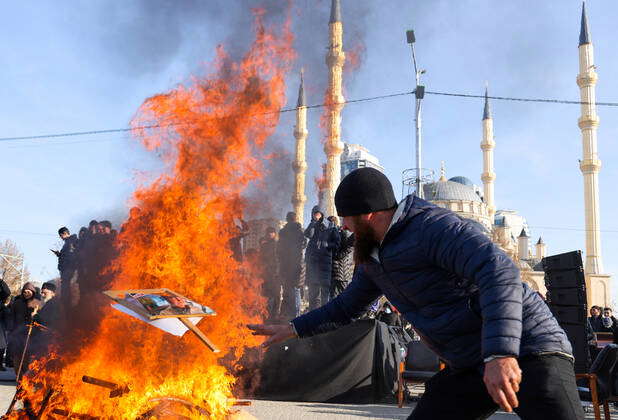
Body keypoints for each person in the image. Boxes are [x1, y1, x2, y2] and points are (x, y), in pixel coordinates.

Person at [249, 167, 583, 420]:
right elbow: (346, 306)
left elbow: (500, 272)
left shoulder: (432, 228)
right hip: (471, 362)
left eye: (347, 220)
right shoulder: (376, 254)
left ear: (369, 214)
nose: (344, 228)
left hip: (530, 349)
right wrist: (294, 328)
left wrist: (499, 354)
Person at [304, 206, 340, 310]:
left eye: (318, 213)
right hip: (313, 265)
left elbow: (337, 244)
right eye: (314, 214)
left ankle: (326, 319)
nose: (316, 216)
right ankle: (312, 317)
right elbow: (308, 235)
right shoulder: (313, 225)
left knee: (325, 295)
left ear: (323, 214)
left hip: (325, 265)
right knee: (313, 295)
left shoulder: (331, 226)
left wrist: (326, 244)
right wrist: (313, 222)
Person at [277, 212, 306, 318]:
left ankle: (287, 316)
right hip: (297, 264)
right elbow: (304, 244)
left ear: (287, 219)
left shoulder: (282, 232)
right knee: (296, 290)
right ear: (295, 218)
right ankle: (296, 316)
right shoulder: (299, 230)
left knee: (287, 290)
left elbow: (279, 249)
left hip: (285, 265)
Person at [329, 217, 355, 299]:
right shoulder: (337, 232)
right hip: (336, 270)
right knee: (334, 296)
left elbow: (349, 248)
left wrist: (338, 256)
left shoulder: (345, 233)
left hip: (342, 270)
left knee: (344, 296)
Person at [56, 227, 78, 312]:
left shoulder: (70, 242)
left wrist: (61, 255)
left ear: (64, 234)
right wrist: (60, 255)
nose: (60, 238)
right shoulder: (68, 242)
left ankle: (67, 305)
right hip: (66, 270)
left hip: (69, 270)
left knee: (67, 290)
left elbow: (70, 256)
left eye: (61, 235)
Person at [260, 227, 280, 320]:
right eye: (268, 233)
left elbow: (280, 260)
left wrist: (278, 272)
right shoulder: (264, 246)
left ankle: (274, 315)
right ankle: (266, 314)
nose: (269, 234)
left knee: (276, 295)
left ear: (274, 234)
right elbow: (260, 260)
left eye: (271, 233)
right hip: (266, 275)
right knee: (266, 295)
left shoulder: (278, 245)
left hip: (275, 275)